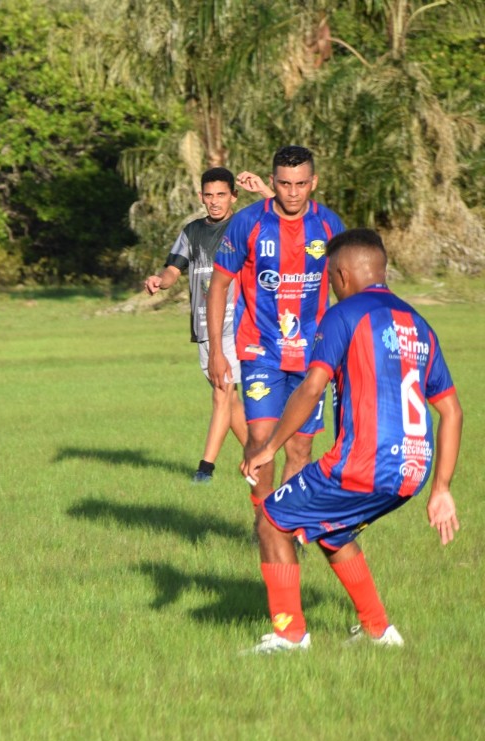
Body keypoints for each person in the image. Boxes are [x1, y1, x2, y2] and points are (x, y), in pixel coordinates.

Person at [240, 229, 461, 653]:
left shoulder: (345, 315)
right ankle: (379, 631)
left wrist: (269, 447)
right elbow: (452, 411)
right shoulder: (419, 323)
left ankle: (289, 635)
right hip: (412, 472)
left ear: (340, 274)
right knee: (334, 532)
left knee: (272, 520)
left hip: (363, 462)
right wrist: (443, 488)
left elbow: (310, 388)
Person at [206, 145, 345, 535]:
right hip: (259, 351)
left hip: (313, 356)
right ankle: (264, 521)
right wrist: (218, 351)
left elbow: (350, 285)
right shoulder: (248, 222)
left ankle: (286, 526)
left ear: (313, 182)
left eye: (301, 184)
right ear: (272, 183)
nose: (293, 192)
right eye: (284, 184)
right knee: (261, 441)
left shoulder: (330, 225)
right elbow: (218, 286)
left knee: (300, 448)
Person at [144, 167, 273, 483]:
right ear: (201, 197)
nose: (214, 202)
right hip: (205, 326)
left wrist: (264, 191)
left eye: (221, 195)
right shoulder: (192, 232)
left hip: (238, 323)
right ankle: (260, 460)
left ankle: (205, 468)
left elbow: (285, 219)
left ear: (233, 196)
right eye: (209, 195)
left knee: (221, 392)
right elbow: (174, 268)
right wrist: (162, 280)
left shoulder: (246, 224)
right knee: (229, 399)